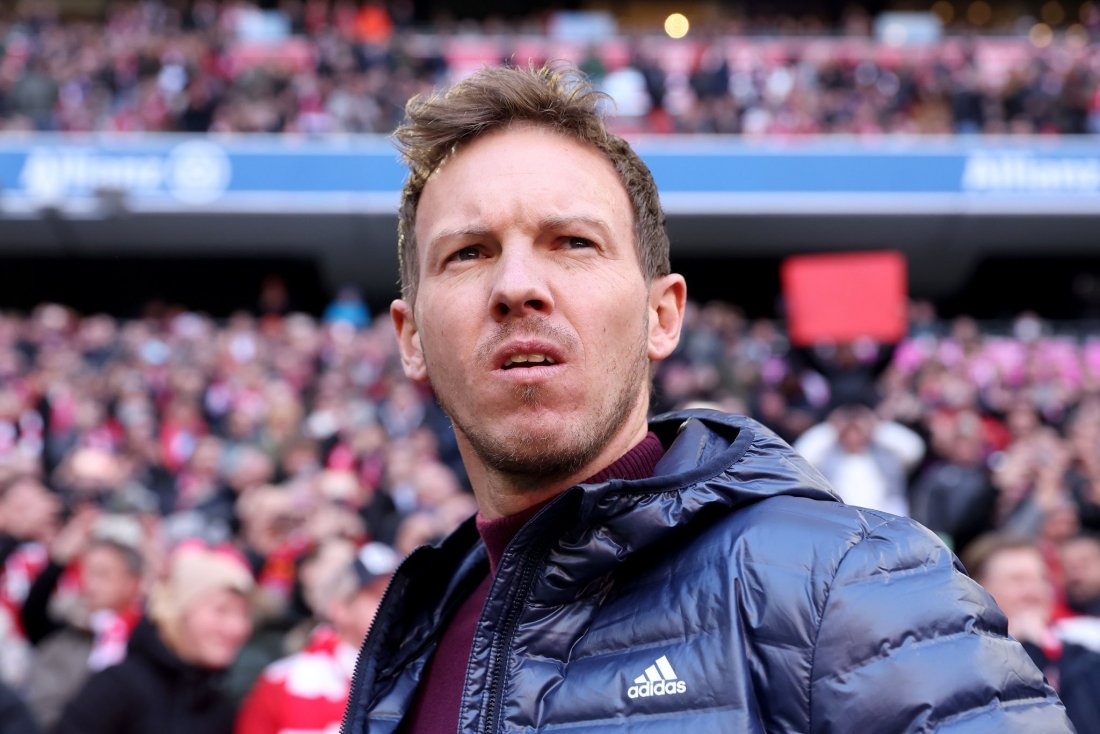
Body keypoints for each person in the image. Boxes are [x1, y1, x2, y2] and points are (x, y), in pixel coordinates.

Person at [342, 63, 1072, 733]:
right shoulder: (408, 643)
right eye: (469, 253)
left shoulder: (849, 587)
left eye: (573, 242)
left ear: (662, 316)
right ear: (411, 337)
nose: (517, 287)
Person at [54, 540, 254, 734]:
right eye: (221, 610)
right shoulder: (118, 687)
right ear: (177, 611)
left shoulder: (222, 707)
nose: (237, 628)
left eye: (244, 614)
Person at [234, 540, 394, 734]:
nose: (397, 606)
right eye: (381, 596)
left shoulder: (412, 675)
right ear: (340, 607)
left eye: (403, 595)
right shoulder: (285, 681)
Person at [965, 534, 1100, 734]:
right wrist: (1023, 648)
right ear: (979, 589)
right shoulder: (963, 660)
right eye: (1018, 580)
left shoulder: (1083, 654)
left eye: (1042, 579)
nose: (1034, 591)